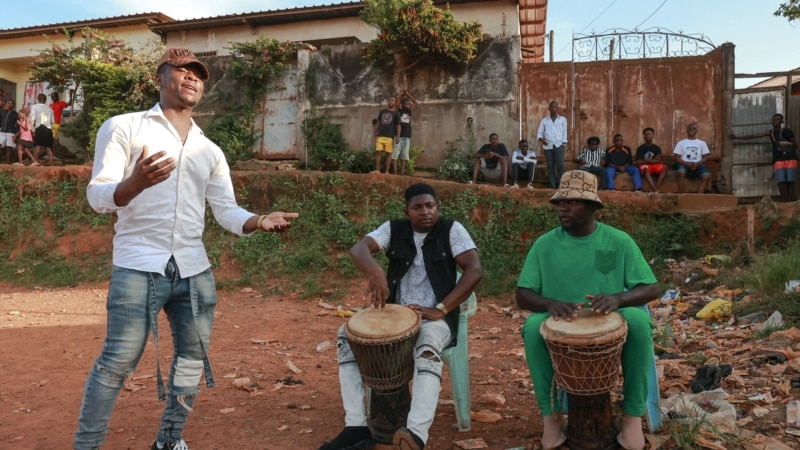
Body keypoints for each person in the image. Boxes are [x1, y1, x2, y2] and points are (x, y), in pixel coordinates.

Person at [74, 48, 299, 450]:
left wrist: (258, 220)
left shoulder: (209, 150)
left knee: (192, 360)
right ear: (160, 78)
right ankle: (86, 446)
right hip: (138, 264)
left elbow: (226, 210)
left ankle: (170, 439)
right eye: (182, 70)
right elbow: (97, 195)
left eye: (198, 73)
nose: (192, 77)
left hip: (193, 269)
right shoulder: (124, 127)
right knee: (118, 362)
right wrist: (134, 185)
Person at [322, 182, 483, 450]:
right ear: (406, 211)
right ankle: (356, 424)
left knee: (428, 347)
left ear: (438, 207)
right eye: (417, 207)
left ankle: (416, 433)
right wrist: (377, 271)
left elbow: (474, 270)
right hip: (394, 316)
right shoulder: (394, 229)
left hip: (435, 318)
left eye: (430, 206)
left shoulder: (451, 230)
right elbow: (358, 249)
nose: (425, 212)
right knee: (345, 336)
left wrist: (441, 309)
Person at [517, 170, 659, 450]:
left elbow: (651, 288)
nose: (563, 208)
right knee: (533, 327)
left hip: (609, 317)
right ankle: (551, 418)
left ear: (593, 207)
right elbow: (522, 294)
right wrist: (548, 303)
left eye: (572, 202)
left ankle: (631, 418)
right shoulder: (545, 245)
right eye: (560, 202)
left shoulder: (618, 240)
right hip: (560, 316)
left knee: (640, 322)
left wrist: (619, 298)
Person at [730, 113, 798, 202]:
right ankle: (784, 200)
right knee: (781, 180)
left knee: (790, 180)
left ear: (782, 121)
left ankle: (790, 200)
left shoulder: (787, 131)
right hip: (778, 158)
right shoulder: (770, 133)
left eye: (777, 119)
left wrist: (789, 150)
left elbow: (795, 144)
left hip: (790, 157)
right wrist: (737, 137)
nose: (775, 121)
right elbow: (753, 136)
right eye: (773, 120)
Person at [536, 101, 568, 188]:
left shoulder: (562, 120)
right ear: (549, 108)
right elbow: (539, 134)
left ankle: (561, 186)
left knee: (560, 166)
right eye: (552, 107)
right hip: (548, 146)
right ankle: (553, 186)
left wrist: (563, 144)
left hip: (559, 145)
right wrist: (542, 141)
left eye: (555, 107)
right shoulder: (544, 121)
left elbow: (565, 133)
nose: (553, 108)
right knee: (550, 167)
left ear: (557, 108)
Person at [674, 122, 711, 194]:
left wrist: (698, 163)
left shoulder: (702, 143)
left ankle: (699, 196)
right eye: (690, 128)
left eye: (694, 128)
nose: (691, 130)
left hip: (698, 164)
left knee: (706, 176)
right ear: (687, 130)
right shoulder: (681, 143)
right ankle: (683, 195)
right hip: (684, 164)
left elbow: (706, 157)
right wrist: (687, 164)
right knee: (681, 173)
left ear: (696, 130)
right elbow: (677, 158)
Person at [373, 96, 400, 174]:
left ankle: (387, 171)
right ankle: (377, 170)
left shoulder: (396, 114)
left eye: (392, 100)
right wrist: (374, 133)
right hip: (380, 135)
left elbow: (398, 125)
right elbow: (378, 123)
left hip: (390, 137)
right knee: (378, 151)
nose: (390, 101)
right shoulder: (382, 112)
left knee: (389, 153)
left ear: (395, 103)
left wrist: (398, 136)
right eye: (389, 100)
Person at [635, 128, 668, 193]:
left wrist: (645, 159)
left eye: (650, 134)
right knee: (645, 170)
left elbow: (659, 160)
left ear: (653, 135)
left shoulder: (657, 148)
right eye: (646, 134)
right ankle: (655, 189)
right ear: (644, 136)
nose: (648, 136)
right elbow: (639, 162)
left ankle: (656, 188)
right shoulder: (640, 149)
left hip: (655, 165)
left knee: (665, 167)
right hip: (646, 166)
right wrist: (653, 160)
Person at [393, 89, 417, 175]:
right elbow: (397, 99)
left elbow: (415, 103)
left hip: (407, 135)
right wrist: (401, 94)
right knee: (395, 153)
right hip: (398, 136)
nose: (409, 105)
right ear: (402, 105)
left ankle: (402, 172)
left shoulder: (409, 112)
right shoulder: (399, 111)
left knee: (404, 155)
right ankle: (395, 172)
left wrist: (408, 94)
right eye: (407, 104)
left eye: (409, 104)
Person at [29, 93, 55, 165]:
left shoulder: (34, 107)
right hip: (48, 129)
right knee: (48, 147)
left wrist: (32, 129)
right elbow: (53, 121)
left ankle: (35, 162)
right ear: (45, 100)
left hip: (39, 128)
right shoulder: (50, 109)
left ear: (38, 99)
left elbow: (32, 119)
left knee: (38, 145)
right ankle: (52, 164)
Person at [0, 100, 20, 164]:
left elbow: (19, 125)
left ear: (13, 105)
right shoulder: (3, 112)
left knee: (9, 147)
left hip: (10, 132)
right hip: (2, 131)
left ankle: (8, 163)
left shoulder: (16, 114)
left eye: (11, 103)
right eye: (8, 103)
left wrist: (16, 134)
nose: (9, 104)